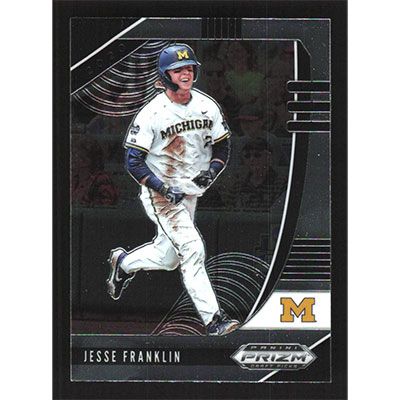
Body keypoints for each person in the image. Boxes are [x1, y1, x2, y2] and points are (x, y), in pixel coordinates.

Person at [106, 43, 239, 336]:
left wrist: (212, 171)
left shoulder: (207, 105)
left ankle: (124, 263)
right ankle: (215, 320)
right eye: (178, 69)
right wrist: (162, 188)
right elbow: (133, 161)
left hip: (190, 192)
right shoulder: (152, 113)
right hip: (161, 194)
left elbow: (222, 146)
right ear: (165, 75)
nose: (186, 73)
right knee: (192, 248)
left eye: (189, 67)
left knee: (168, 258)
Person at [236, 138, 287, 211]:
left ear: (268, 157)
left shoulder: (280, 183)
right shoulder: (239, 184)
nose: (251, 159)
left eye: (257, 155)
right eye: (247, 156)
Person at [71, 136, 118, 206]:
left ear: (91, 160)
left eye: (80, 157)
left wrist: (88, 204)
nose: (74, 160)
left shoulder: (102, 180)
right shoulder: (75, 178)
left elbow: (107, 204)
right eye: (74, 156)